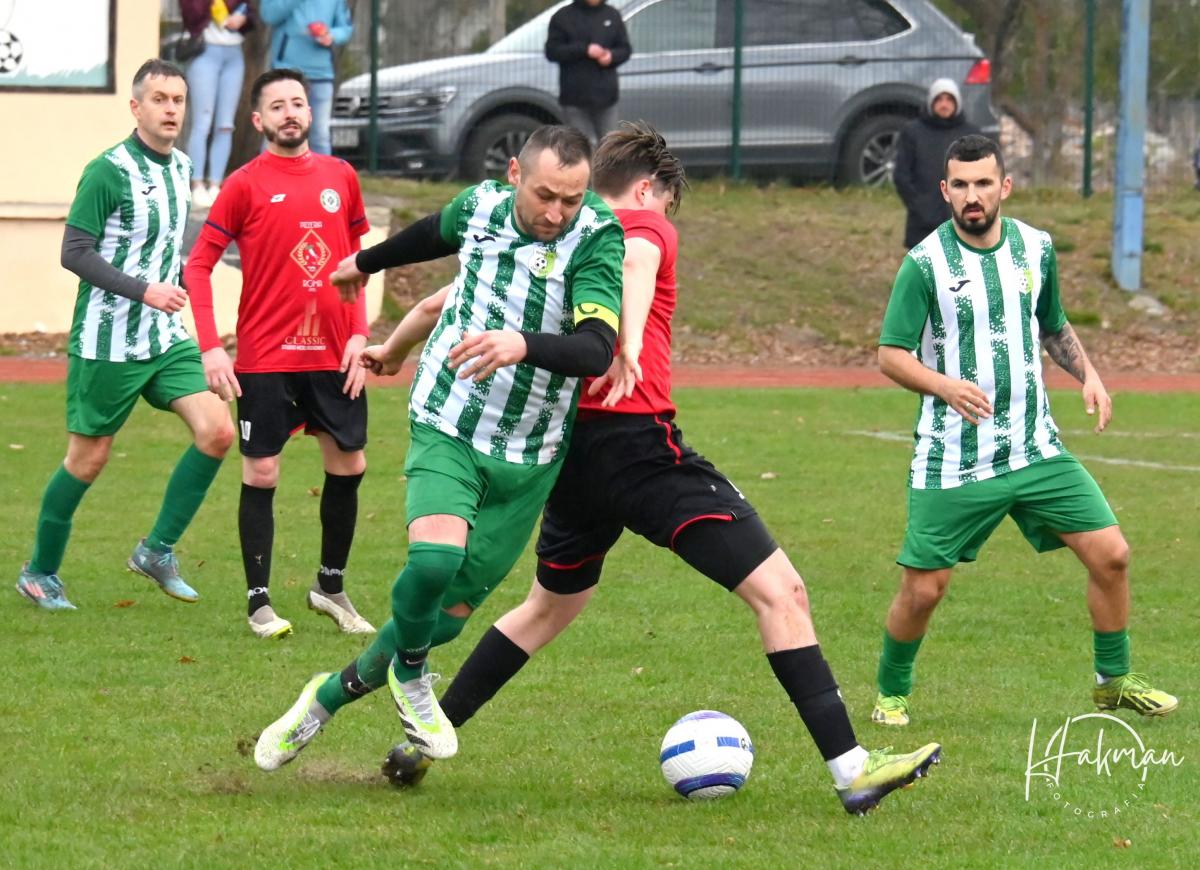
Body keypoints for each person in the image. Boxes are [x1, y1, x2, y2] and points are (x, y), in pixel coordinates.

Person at [267, 122, 941, 815]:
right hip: (637, 449)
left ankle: (414, 740)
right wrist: (630, 341)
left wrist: (394, 344)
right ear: (648, 190)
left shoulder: (536, 241)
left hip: (562, 451)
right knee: (782, 593)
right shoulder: (631, 228)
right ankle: (851, 769)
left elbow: (446, 299)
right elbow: (640, 261)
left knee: (548, 607)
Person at [253, 124, 624, 767]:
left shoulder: (596, 237)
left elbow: (595, 350)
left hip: (531, 453)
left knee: (446, 616)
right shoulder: (481, 207)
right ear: (514, 175)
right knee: (433, 561)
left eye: (571, 198)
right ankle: (412, 671)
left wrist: (520, 343)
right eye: (545, 196)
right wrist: (365, 263)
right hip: (449, 417)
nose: (557, 213)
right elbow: (431, 234)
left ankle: (324, 698)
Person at [869, 134, 1178, 728]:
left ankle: (1113, 681)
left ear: (1004, 186)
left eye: (984, 183)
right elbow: (890, 354)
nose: (973, 196)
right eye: (961, 185)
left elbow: (1053, 324)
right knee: (925, 591)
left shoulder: (1036, 247)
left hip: (1035, 449)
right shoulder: (925, 264)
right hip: (955, 457)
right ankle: (891, 693)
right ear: (945, 191)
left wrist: (1090, 375)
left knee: (1112, 555)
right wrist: (944, 386)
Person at [15, 59, 235, 612]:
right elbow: (74, 253)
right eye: (159, 99)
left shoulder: (182, 167)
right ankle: (39, 573)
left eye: (178, 99)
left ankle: (156, 551)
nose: (170, 109)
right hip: (107, 341)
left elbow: (168, 252)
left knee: (217, 432)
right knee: (88, 460)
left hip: (164, 337)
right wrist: (144, 290)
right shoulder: (107, 171)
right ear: (136, 107)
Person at [185, 68, 373, 640]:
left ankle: (330, 588)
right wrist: (212, 348)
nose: (290, 112)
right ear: (258, 120)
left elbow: (356, 264)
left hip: (334, 354)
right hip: (266, 357)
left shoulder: (341, 177)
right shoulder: (243, 184)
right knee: (262, 471)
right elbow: (197, 266)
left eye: (298, 103)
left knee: (350, 466)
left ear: (310, 113)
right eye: (277, 106)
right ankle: (259, 603)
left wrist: (360, 334)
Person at [180, 0, 257, 208]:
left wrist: (243, 17)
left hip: (234, 52)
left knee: (225, 124)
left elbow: (250, 12)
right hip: (205, 50)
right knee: (202, 121)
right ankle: (197, 183)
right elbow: (190, 13)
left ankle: (216, 183)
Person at [892, 78, 978, 249]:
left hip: (963, 220)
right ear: (931, 102)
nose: (944, 104)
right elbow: (902, 175)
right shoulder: (913, 133)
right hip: (922, 224)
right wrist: (919, 205)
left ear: (957, 103)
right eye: (939, 99)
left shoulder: (971, 135)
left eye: (949, 99)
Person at [260, 0, 353, 156]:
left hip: (321, 73)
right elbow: (268, 15)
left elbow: (345, 28)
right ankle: (268, 172)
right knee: (276, 132)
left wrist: (331, 35)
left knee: (320, 137)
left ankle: (322, 173)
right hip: (285, 71)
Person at [545, 0, 632, 146]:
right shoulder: (563, 17)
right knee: (580, 148)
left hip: (607, 98)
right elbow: (552, 51)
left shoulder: (612, 15)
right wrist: (584, 50)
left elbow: (625, 49)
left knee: (610, 147)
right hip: (574, 99)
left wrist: (611, 56)